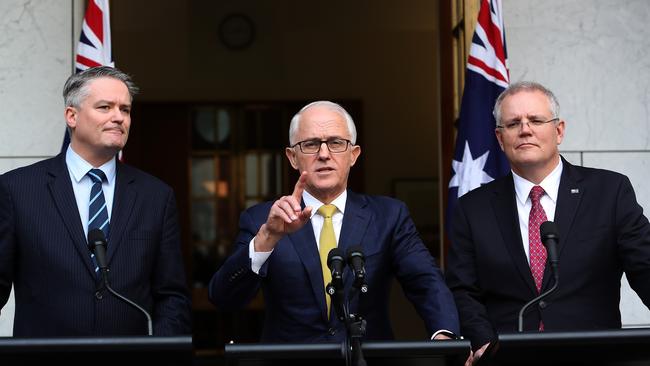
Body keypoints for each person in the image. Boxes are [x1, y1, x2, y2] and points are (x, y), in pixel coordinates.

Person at [209, 101, 460, 342]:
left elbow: (426, 282)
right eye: (311, 144)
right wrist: (267, 239)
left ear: (354, 154)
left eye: (336, 143)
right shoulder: (261, 220)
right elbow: (224, 298)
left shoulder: (388, 216)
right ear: (292, 157)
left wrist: (445, 334)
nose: (324, 154)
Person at [445, 81, 650, 364]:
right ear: (499, 138)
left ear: (559, 130)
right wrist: (483, 342)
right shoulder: (473, 208)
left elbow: (645, 265)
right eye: (513, 123)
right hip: (507, 359)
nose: (525, 129)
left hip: (593, 357)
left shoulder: (609, 192)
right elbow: (462, 288)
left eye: (536, 120)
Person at [0, 66, 191, 336]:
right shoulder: (17, 190)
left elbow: (171, 297)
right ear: (72, 116)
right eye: (105, 107)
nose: (118, 118)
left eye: (125, 110)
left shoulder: (156, 196)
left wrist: (157, 352)